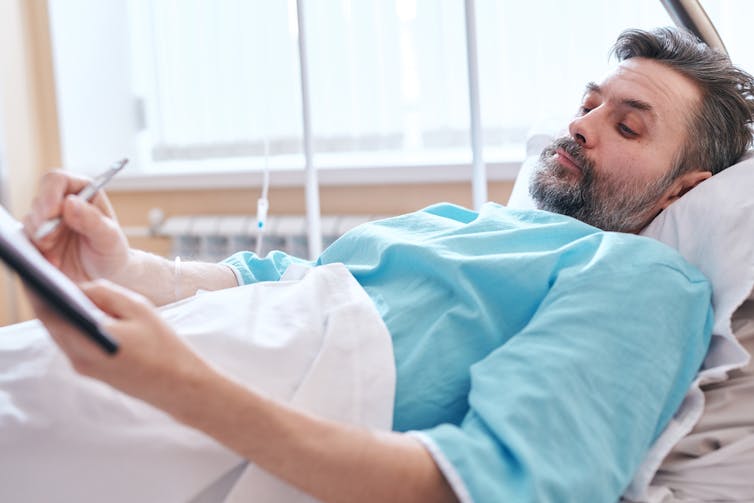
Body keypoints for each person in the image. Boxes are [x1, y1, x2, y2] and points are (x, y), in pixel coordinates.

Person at [19, 27, 754, 502]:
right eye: (588, 105)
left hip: (205, 399)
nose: (580, 126)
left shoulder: (648, 282)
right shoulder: (464, 224)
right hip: (188, 350)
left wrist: (176, 383)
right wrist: (128, 268)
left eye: (627, 124)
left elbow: (493, 485)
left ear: (686, 189)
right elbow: (285, 282)